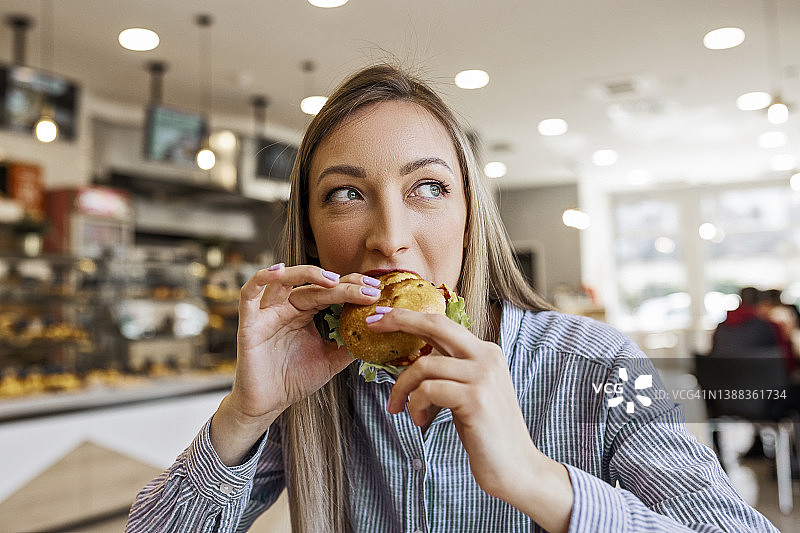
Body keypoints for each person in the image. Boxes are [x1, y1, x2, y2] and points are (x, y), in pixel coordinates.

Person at [127, 64, 778, 533]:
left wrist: (536, 479)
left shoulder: (598, 364)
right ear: (312, 233)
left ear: (471, 218)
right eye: (347, 194)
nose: (389, 239)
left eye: (429, 187)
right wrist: (244, 414)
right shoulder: (310, 385)